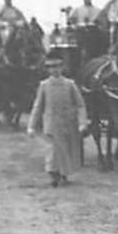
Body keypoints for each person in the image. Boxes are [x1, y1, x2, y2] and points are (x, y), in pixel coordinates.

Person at [26, 52, 89, 186]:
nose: (55, 70)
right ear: (48, 69)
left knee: (66, 150)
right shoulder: (44, 85)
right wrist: (31, 126)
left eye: (58, 66)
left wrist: (82, 122)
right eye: (51, 67)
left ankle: (64, 174)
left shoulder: (70, 84)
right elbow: (37, 106)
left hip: (68, 123)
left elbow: (80, 105)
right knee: (53, 150)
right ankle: (53, 174)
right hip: (51, 123)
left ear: (62, 67)